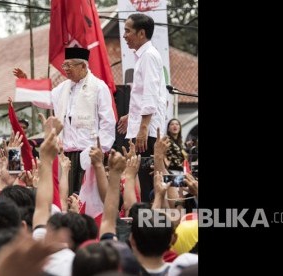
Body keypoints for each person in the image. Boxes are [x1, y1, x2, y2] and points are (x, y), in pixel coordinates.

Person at [13, 47, 116, 195]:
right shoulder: (63, 88)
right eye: (64, 65)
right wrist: (27, 82)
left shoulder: (99, 87)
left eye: (69, 65)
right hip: (65, 156)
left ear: (83, 66)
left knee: (86, 198)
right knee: (66, 198)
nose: (65, 69)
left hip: (89, 153)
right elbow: (44, 99)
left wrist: (100, 150)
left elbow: (108, 122)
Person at [117, 13, 168, 202]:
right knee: (141, 180)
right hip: (142, 127)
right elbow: (144, 95)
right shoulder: (144, 56)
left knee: (147, 183)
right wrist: (132, 115)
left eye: (127, 31)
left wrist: (143, 128)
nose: (124, 36)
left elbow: (150, 95)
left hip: (146, 132)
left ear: (141, 33)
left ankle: (150, 225)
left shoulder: (149, 56)